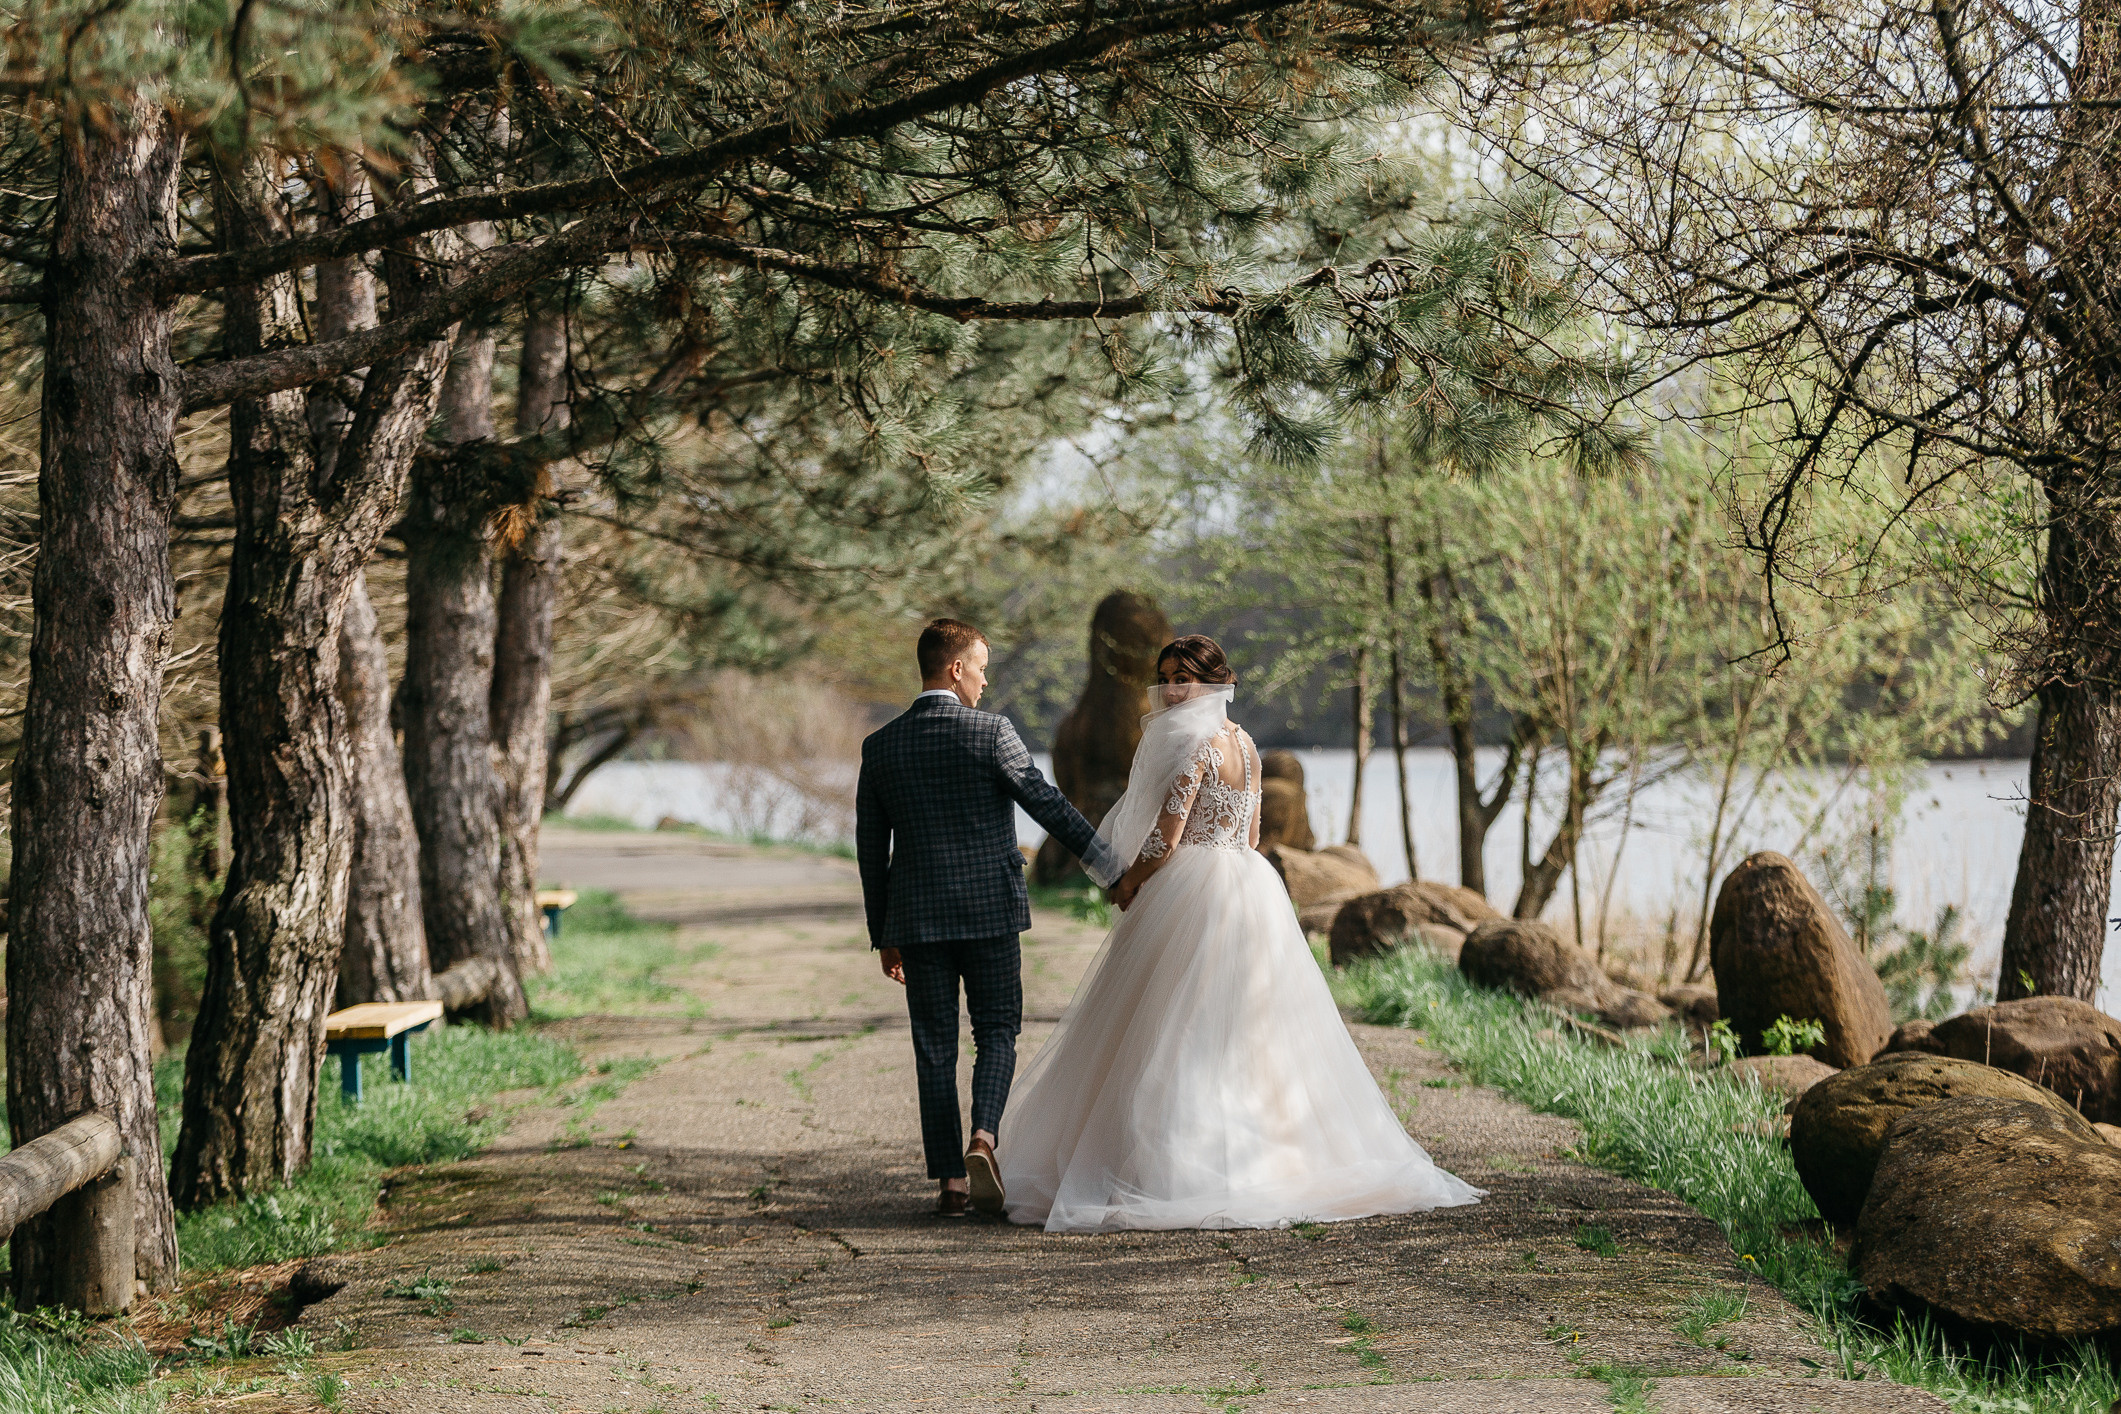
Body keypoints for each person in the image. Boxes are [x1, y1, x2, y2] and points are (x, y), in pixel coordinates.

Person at [998, 634, 1483, 1231]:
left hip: (1193, 886)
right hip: (1249, 886)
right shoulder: (1245, 743)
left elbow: (1164, 838)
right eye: (1167, 675)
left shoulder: (1194, 744)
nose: (1174, 688)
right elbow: (1252, 835)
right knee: (1235, 1025)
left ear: (1211, 681)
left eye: (1184, 677)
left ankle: (1175, 1169)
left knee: (1182, 1026)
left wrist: (1128, 883)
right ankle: (1260, 1158)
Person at [855, 618, 1123, 1218]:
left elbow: (872, 852)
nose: (983, 680)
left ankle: (950, 1181)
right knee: (997, 1030)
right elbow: (1047, 804)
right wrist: (1110, 867)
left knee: (933, 1047)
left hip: (917, 921)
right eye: (979, 667)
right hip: (990, 913)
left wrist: (885, 934)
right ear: (955, 668)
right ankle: (985, 1138)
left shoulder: (881, 747)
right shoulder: (991, 733)